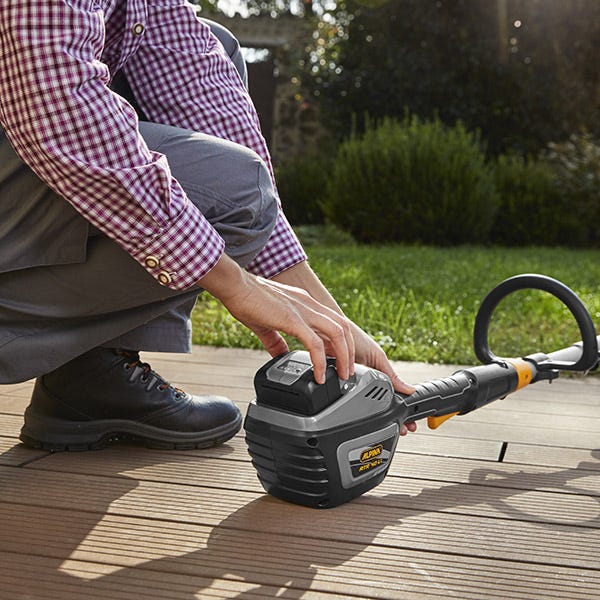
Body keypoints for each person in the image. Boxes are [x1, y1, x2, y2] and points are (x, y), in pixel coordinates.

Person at [0, 1, 416, 451]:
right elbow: (53, 90)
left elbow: (194, 83)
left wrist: (334, 326)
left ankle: (90, 376)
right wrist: (235, 284)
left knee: (215, 47)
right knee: (233, 190)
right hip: (35, 109)